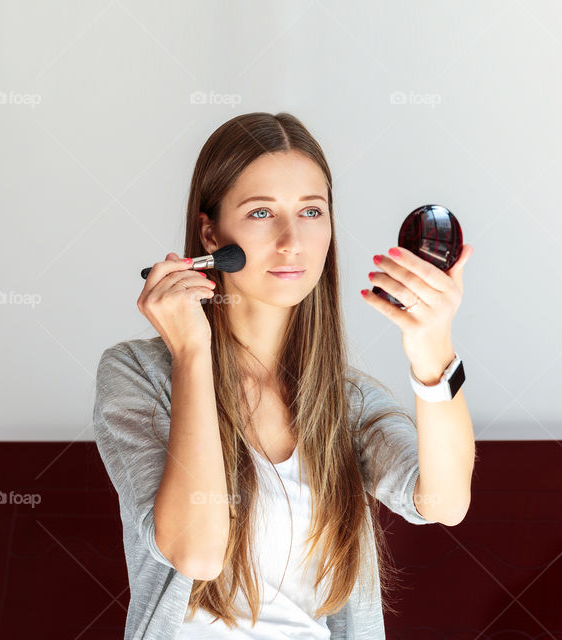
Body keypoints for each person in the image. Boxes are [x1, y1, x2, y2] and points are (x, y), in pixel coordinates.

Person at [93, 112, 475, 639]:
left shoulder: (347, 399)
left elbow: (445, 503)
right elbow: (197, 553)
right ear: (210, 233)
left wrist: (433, 346)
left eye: (311, 211)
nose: (292, 240)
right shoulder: (138, 374)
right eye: (261, 213)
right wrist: (192, 352)